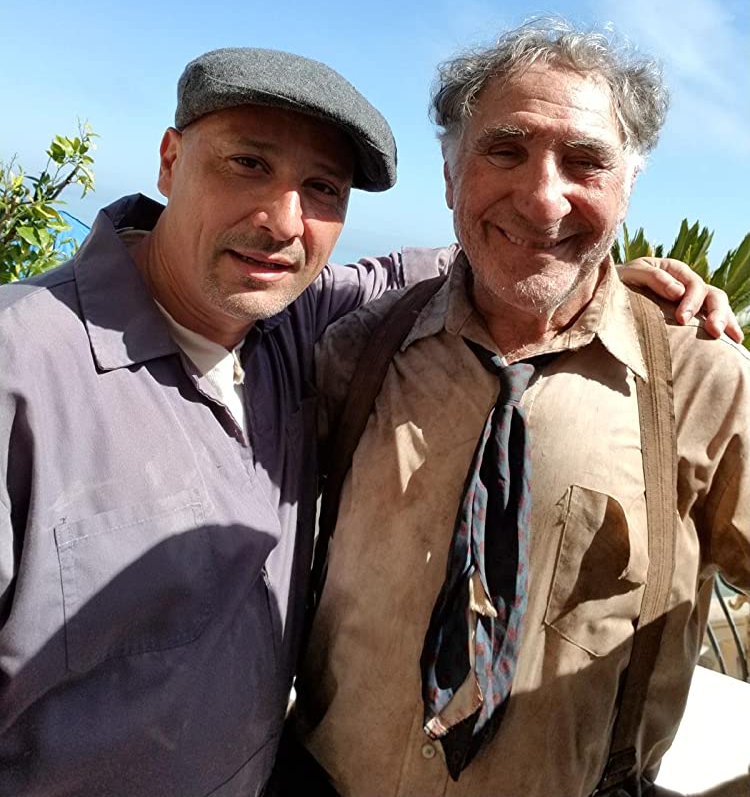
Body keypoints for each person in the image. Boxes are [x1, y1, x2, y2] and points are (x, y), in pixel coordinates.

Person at [0, 43, 736, 797]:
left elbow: (489, 250)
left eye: (323, 187)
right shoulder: (21, 366)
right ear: (169, 160)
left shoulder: (300, 323)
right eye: (248, 164)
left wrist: (595, 274)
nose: (282, 221)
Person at [292, 20, 750, 797]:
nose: (542, 199)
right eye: (504, 150)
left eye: (585, 161)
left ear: (628, 184)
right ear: (450, 175)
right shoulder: (360, 352)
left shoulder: (703, 383)